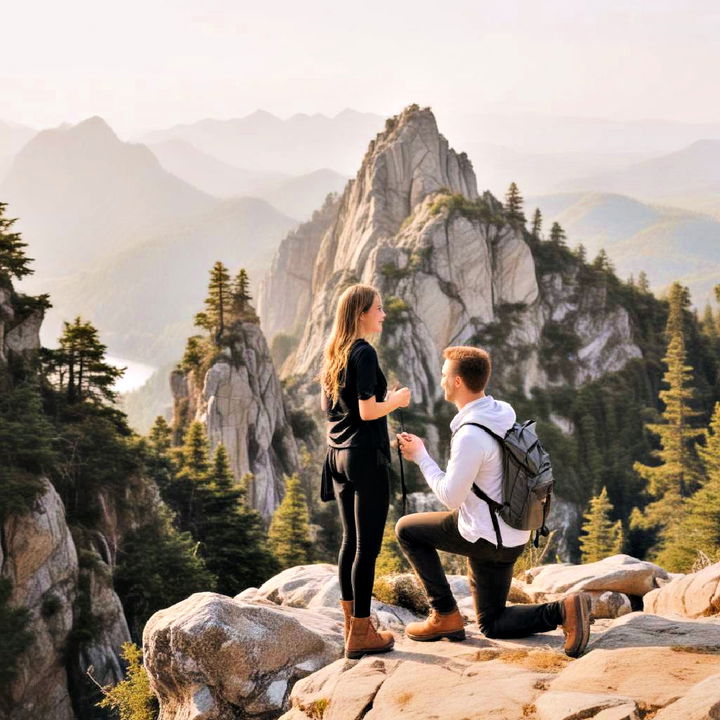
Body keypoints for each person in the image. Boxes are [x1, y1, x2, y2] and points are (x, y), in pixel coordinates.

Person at [395, 345, 592, 657]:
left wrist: (420, 457)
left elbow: (450, 497)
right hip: (514, 533)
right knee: (492, 622)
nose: (442, 379)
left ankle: (444, 614)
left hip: (488, 537)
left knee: (407, 529)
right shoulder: (500, 414)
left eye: (446, 374)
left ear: (458, 381)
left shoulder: (471, 435)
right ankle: (563, 610)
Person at [319, 283, 411, 659]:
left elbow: (334, 413)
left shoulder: (333, 353)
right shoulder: (364, 353)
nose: (383, 314)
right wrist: (396, 401)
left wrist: (374, 435)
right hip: (363, 459)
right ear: (361, 313)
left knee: (348, 542)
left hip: (337, 456)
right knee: (367, 548)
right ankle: (361, 631)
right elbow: (367, 410)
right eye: (378, 308)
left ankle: (351, 625)